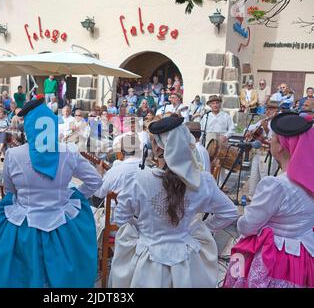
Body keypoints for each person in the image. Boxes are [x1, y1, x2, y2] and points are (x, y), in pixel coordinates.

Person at [0, 98, 103, 287]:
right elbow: (95, 180)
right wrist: (72, 195)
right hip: (62, 224)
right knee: (63, 279)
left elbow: (9, 190)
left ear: (30, 127)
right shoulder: (69, 151)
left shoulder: (13, 155)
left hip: (24, 226)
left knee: (25, 277)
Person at [109, 116, 238, 288]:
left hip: (147, 259)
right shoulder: (202, 180)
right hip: (185, 258)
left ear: (157, 147)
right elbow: (230, 212)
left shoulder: (139, 178)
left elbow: (119, 217)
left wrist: (141, 229)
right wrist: (199, 229)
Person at [224, 112, 314, 288]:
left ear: (281, 146)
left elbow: (247, 226)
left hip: (276, 258)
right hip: (303, 254)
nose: (269, 140)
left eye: (273, 137)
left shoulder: (276, 185)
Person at [245, 101, 279, 199]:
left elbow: (276, 139)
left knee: (266, 177)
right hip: (258, 151)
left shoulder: (278, 122)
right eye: (267, 109)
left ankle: (266, 199)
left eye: (271, 109)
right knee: (254, 176)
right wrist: (248, 132)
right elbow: (251, 128)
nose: (268, 111)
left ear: (277, 111)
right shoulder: (263, 120)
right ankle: (253, 197)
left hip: (269, 153)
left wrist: (267, 130)